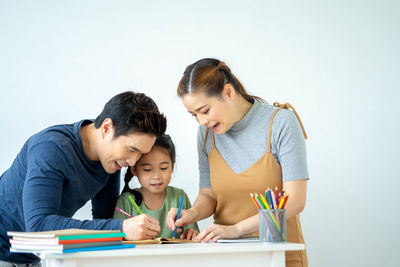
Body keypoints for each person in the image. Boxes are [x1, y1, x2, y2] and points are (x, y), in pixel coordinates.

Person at [166, 58, 309, 266]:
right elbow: (208, 195)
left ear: (228, 93)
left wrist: (237, 230)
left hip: (278, 254)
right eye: (194, 115)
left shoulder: (281, 122)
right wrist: (191, 214)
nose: (202, 121)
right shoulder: (206, 135)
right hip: (228, 256)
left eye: (205, 111)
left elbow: (295, 201)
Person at [0, 91, 166, 266]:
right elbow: (38, 227)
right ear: (107, 128)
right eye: (132, 149)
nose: (132, 161)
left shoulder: (110, 161)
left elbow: (104, 221)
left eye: (140, 154)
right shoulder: (51, 148)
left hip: (34, 256)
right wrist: (122, 229)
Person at [114, 134, 199, 240]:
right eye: (148, 169)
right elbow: (116, 236)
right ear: (134, 170)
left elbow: (192, 234)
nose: (157, 176)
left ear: (172, 167)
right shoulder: (126, 201)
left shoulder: (179, 196)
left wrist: (192, 234)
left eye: (163, 168)